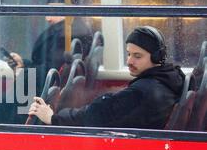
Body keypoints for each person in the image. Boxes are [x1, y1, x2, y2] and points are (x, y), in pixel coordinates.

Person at [28, 26, 186, 129]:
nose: (129, 61)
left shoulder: (142, 92)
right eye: (129, 54)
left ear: (157, 57)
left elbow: (95, 116)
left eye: (137, 56)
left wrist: (53, 118)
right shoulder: (168, 80)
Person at [9, 0, 93, 95]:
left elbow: (52, 70)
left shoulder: (68, 34)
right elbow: (47, 63)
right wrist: (23, 63)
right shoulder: (74, 29)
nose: (47, 19)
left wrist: (22, 73)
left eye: (51, 12)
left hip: (43, 94)